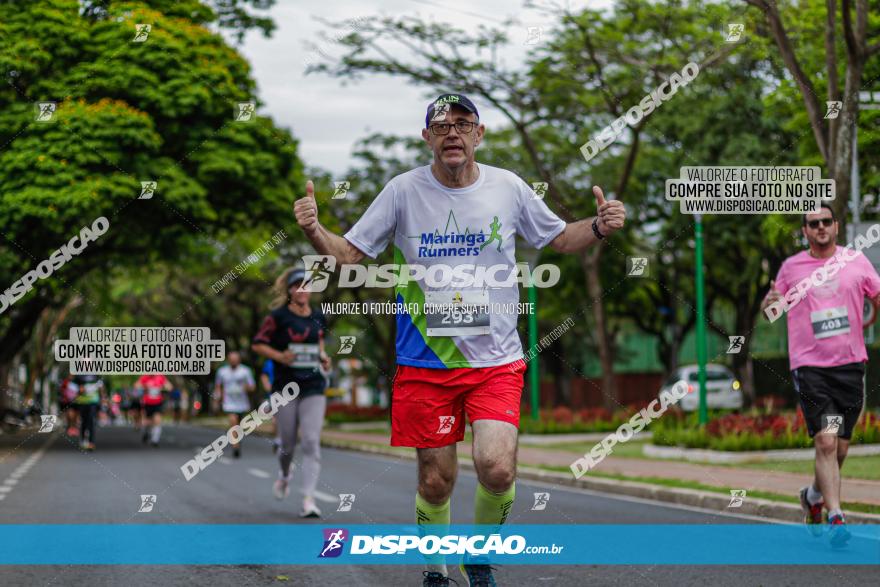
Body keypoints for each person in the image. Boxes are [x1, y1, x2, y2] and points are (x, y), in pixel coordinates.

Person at [293, 93, 625, 586]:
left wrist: (598, 226)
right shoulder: (402, 191)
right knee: (436, 480)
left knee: (497, 468)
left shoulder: (508, 188)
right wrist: (316, 231)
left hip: (496, 362)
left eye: (463, 123)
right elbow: (349, 255)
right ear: (427, 137)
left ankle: (480, 558)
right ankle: (434, 570)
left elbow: (558, 239)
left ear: (479, 133)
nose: (452, 131)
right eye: (441, 124)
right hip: (425, 364)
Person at [762, 202, 880, 547]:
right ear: (805, 231)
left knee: (841, 447)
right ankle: (836, 516)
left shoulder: (855, 261)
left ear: (836, 226)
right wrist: (770, 301)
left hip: (850, 365)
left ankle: (813, 496)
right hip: (811, 367)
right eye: (813, 224)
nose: (820, 228)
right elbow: (772, 312)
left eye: (826, 221)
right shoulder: (792, 268)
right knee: (826, 441)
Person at [252, 268, 331, 518]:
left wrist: (324, 358)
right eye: (296, 286)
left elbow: (319, 344)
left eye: (305, 285)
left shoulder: (318, 316)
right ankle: (285, 475)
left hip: (314, 386)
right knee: (287, 444)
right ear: (289, 290)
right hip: (285, 388)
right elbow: (257, 344)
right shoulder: (277, 317)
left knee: (310, 442)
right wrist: (280, 357)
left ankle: (308, 499)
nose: (301, 290)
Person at [214, 351, 256, 458]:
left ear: (239, 360)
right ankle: (235, 447)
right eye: (231, 359)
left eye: (235, 359)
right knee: (233, 421)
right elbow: (218, 385)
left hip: (242, 402)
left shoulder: (245, 371)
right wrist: (217, 398)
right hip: (229, 402)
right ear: (228, 360)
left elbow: (252, 386)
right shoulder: (222, 372)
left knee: (239, 426)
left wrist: (246, 388)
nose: (233, 361)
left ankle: (236, 440)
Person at [134, 373, 172, 447]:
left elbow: (169, 387)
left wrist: (163, 387)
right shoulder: (145, 377)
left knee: (157, 420)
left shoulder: (160, 377)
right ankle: (146, 432)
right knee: (147, 422)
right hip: (147, 403)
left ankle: (155, 440)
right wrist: (144, 387)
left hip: (157, 403)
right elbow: (136, 385)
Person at [69, 373, 103, 450]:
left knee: (91, 421)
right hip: (82, 402)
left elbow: (100, 385)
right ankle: (83, 440)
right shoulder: (78, 375)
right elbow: (71, 387)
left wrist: (102, 398)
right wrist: (79, 389)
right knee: (84, 421)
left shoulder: (95, 375)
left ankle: (91, 443)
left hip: (93, 401)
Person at [260, 359, 282, 453]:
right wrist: (267, 386)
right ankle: (278, 439)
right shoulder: (269, 362)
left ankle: (286, 440)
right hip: (274, 394)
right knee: (275, 420)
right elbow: (264, 375)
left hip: (289, 393)